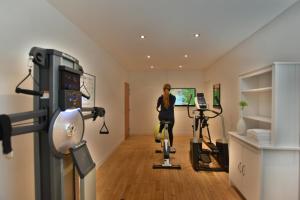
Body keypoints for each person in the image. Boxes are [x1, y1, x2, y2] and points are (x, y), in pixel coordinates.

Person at [156, 83, 176, 151]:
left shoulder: (160, 98)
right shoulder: (173, 97)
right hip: (170, 118)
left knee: (162, 122)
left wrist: (160, 111)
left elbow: (157, 108)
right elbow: (172, 105)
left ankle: (159, 133)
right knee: (170, 131)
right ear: (170, 89)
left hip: (162, 117)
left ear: (163, 89)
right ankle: (171, 147)